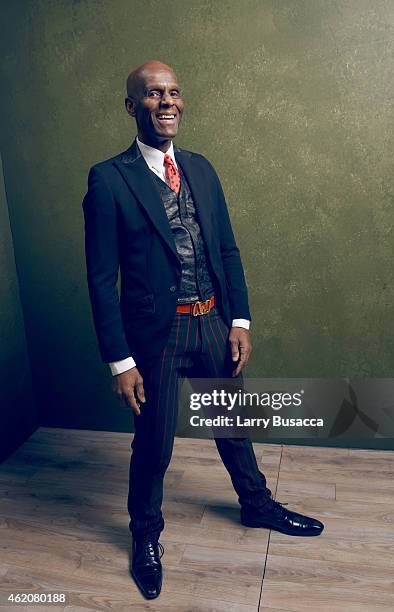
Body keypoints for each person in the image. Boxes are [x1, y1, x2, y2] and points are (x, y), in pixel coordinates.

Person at [82, 60, 324, 600]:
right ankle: (145, 538)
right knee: (155, 445)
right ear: (132, 107)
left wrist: (239, 319)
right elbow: (101, 280)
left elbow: (228, 250)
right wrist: (120, 360)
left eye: (173, 92)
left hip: (212, 323)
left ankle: (256, 506)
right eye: (152, 94)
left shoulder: (201, 168)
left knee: (232, 424)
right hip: (156, 339)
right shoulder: (108, 179)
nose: (167, 101)